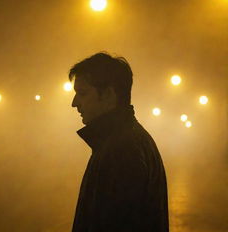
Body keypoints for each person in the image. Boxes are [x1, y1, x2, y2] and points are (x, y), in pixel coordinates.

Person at [69, 52, 169, 232]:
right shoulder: (128, 139)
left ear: (108, 94)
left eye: (82, 93)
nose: (74, 103)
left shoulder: (122, 150)